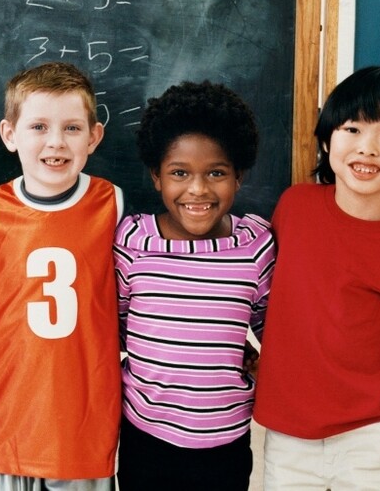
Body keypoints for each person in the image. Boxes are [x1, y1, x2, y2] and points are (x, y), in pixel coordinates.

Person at [254, 66, 380, 491]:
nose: (367, 149)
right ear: (329, 138)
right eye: (352, 129)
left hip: (373, 441)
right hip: (288, 438)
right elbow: (264, 292)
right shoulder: (294, 208)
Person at [0, 61, 122, 491]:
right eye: (38, 127)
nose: (56, 142)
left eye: (72, 128)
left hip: (82, 427)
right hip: (4, 421)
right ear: (10, 134)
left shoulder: (114, 206)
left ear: (94, 136)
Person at [113, 81, 275, 490]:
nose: (198, 189)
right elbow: (116, 322)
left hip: (226, 442)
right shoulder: (132, 242)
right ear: (156, 177)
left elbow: (270, 326)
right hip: (145, 437)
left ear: (239, 176)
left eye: (216, 173)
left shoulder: (255, 246)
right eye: (179, 173)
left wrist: (257, 360)